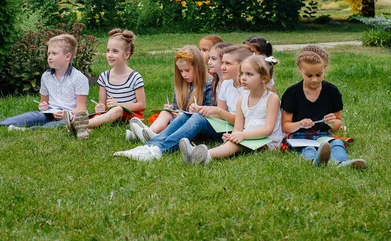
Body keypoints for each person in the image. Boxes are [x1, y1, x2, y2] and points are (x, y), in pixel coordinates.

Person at [114, 44, 252, 162]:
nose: (222, 67)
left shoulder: (247, 90)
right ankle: (149, 146)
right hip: (223, 125)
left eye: (227, 63)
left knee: (197, 118)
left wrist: (214, 112)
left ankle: (158, 150)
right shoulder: (227, 84)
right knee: (187, 116)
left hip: (235, 131)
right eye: (222, 63)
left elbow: (239, 121)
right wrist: (204, 110)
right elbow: (219, 114)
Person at [0, 34, 89, 136]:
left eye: (54, 53)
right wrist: (43, 107)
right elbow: (44, 103)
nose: (50, 57)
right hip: (50, 113)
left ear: (67, 56)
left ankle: (27, 131)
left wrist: (65, 114)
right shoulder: (46, 76)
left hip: (70, 117)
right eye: (48, 53)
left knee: (59, 125)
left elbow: (81, 109)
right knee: (29, 116)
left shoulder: (79, 78)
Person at [181, 55, 283, 165]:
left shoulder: (271, 99)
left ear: (264, 79)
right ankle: (202, 157)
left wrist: (242, 135)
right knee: (232, 143)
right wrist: (233, 135)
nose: (243, 77)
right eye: (242, 73)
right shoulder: (241, 100)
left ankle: (204, 155)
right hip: (248, 137)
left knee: (235, 145)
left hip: (268, 140)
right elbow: (238, 128)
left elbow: (268, 130)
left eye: (249, 74)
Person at [281, 45, 367, 169]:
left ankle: (341, 163)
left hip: (323, 135)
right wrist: (300, 124)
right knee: (308, 148)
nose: (315, 80)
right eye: (309, 75)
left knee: (337, 142)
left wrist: (332, 123)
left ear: (325, 69)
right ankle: (314, 161)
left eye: (319, 74)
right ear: (300, 70)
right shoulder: (292, 93)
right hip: (299, 136)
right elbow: (285, 126)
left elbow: (337, 124)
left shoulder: (331, 91)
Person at [65, 29, 145, 139]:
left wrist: (119, 104)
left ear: (126, 55)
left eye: (115, 51)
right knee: (101, 116)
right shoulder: (104, 77)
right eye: (108, 51)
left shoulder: (135, 77)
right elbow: (102, 105)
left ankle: (80, 124)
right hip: (110, 114)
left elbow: (141, 105)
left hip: (129, 115)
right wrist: (100, 107)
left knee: (117, 110)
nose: (109, 55)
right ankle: (84, 132)